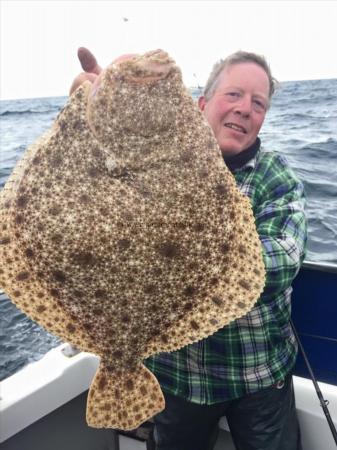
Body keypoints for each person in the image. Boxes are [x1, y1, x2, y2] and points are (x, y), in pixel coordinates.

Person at [70, 48, 307, 450]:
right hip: (177, 375)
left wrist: (183, 257)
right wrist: (93, 114)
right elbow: (85, 194)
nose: (245, 108)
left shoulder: (275, 176)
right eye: (233, 95)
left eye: (258, 103)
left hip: (257, 374)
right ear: (202, 104)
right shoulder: (149, 161)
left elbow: (282, 259)